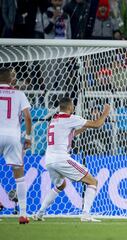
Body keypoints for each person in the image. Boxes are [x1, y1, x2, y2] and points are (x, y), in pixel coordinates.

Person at [33, 97, 110, 222]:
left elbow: (69, 135)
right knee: (93, 182)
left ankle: (40, 213)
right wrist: (106, 112)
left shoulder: (54, 120)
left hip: (49, 160)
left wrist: (84, 126)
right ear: (70, 107)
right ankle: (86, 214)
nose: (73, 108)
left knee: (60, 185)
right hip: (62, 158)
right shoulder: (70, 119)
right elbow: (97, 124)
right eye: (73, 106)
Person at [0, 68, 32, 224]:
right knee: (19, 177)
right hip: (13, 136)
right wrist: (28, 137)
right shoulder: (19, 94)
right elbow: (27, 117)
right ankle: (24, 214)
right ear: (11, 79)